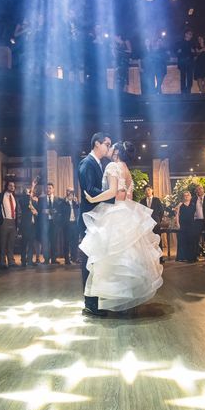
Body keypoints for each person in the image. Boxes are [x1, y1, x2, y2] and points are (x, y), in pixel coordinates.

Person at [81, 141, 163, 313]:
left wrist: (92, 199)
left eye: (112, 147)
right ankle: (125, 300)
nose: (110, 149)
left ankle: (110, 300)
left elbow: (112, 192)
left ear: (117, 151)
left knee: (111, 257)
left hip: (113, 212)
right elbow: (128, 195)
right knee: (127, 258)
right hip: (126, 211)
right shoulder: (127, 170)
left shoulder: (113, 165)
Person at [78, 132, 113, 317]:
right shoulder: (87, 163)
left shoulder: (99, 164)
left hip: (97, 220)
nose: (109, 147)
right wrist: (112, 195)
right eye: (107, 144)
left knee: (97, 262)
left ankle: (96, 300)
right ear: (97, 144)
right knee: (88, 262)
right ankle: (89, 304)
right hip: (88, 221)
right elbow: (89, 191)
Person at [140, 186, 165, 263]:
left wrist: (158, 220)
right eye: (146, 190)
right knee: (148, 240)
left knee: (157, 239)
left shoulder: (156, 200)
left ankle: (160, 258)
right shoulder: (142, 201)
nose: (147, 192)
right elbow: (140, 211)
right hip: (146, 223)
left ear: (152, 190)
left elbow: (161, 211)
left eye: (148, 190)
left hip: (156, 223)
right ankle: (149, 257)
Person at [20, 180, 40, 267]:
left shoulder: (34, 200)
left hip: (33, 225)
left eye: (30, 192)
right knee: (24, 244)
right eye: (28, 192)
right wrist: (32, 186)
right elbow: (28, 202)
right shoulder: (22, 200)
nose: (30, 193)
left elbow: (36, 210)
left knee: (31, 244)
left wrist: (36, 212)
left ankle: (30, 260)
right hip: (25, 226)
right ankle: (23, 261)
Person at [0, 180, 19, 268]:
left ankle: (11, 262)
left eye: (13, 186)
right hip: (4, 221)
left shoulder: (14, 197)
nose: (12, 187)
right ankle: (3, 262)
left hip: (13, 221)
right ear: (7, 186)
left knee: (11, 243)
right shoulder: (1, 196)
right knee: (3, 243)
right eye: (10, 185)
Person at [39, 183, 60, 264]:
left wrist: (56, 212)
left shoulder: (57, 199)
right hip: (45, 224)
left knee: (54, 241)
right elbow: (39, 211)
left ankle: (54, 259)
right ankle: (46, 259)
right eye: (47, 188)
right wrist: (44, 211)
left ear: (53, 189)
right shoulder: (41, 199)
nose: (48, 190)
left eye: (50, 188)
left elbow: (60, 210)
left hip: (54, 223)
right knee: (45, 242)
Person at [175, 190, 198, 262]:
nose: (186, 196)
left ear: (190, 196)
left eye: (187, 195)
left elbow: (197, 214)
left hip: (191, 225)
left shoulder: (194, 204)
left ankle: (191, 257)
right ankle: (182, 257)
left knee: (191, 241)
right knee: (182, 241)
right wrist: (178, 223)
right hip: (183, 225)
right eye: (185, 195)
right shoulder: (180, 205)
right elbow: (177, 215)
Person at [61, 188, 80, 265]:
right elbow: (61, 210)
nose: (70, 193)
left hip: (75, 224)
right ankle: (67, 260)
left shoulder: (75, 202)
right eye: (69, 191)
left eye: (72, 192)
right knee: (67, 242)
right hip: (67, 225)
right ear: (66, 192)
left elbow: (78, 210)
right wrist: (66, 201)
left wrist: (77, 202)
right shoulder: (63, 202)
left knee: (75, 242)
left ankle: (74, 258)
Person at [176, 28, 195, 94]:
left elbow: (195, 53)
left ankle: (189, 90)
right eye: (189, 34)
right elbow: (176, 51)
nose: (191, 35)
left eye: (191, 34)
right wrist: (178, 52)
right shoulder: (180, 42)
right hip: (182, 62)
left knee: (190, 77)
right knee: (183, 77)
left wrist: (194, 52)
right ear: (185, 34)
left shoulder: (192, 43)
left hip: (190, 62)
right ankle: (183, 92)